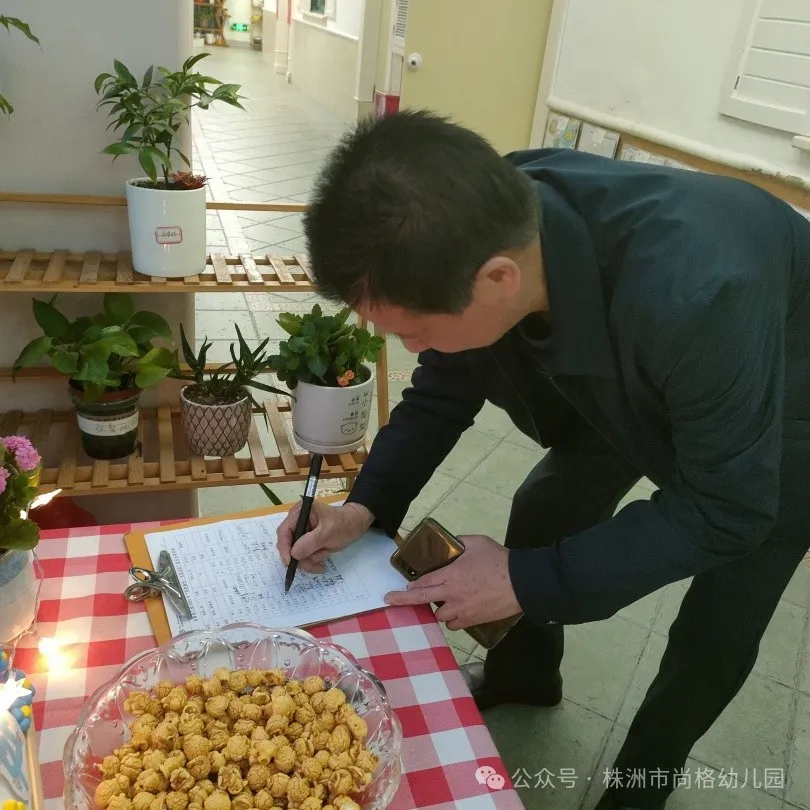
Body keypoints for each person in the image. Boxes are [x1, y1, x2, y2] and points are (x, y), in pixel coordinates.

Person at [275, 109, 810, 809]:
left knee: (720, 618)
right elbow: (441, 392)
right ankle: (526, 675)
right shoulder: (486, 220)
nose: (410, 349)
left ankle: (641, 787)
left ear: (499, 280)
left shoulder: (698, 292)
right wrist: (364, 507)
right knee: (546, 506)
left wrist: (528, 580)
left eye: (413, 331)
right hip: (654, 363)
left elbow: (728, 508)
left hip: (786, 399)